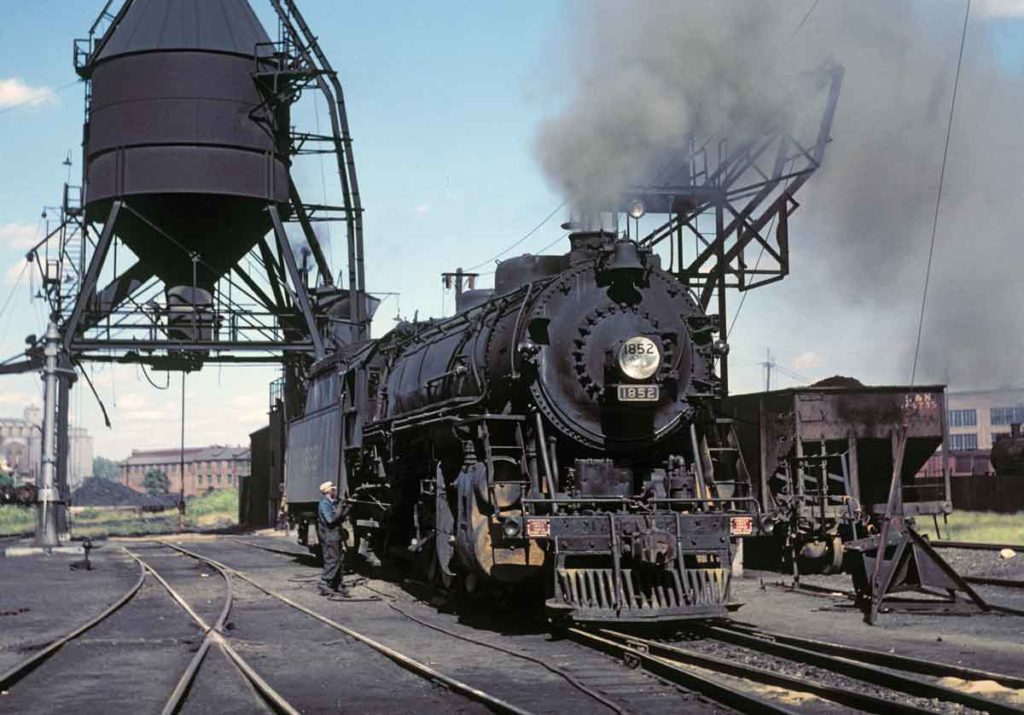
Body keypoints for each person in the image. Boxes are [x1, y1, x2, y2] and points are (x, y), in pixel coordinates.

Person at [317, 480, 349, 596]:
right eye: (333, 488)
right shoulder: (324, 504)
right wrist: (341, 507)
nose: (335, 490)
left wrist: (348, 508)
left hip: (336, 535)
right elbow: (331, 520)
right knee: (332, 560)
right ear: (328, 491)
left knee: (339, 560)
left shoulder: (332, 502)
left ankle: (337, 584)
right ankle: (324, 583)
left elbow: (340, 517)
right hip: (329, 536)